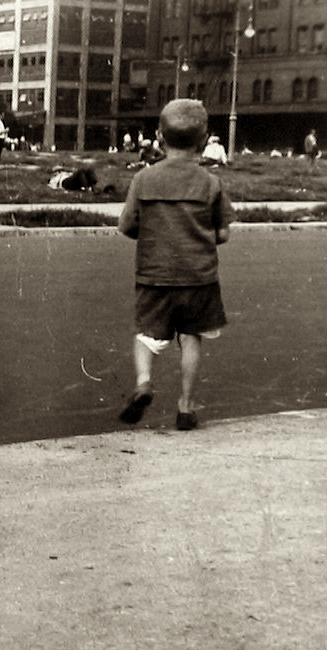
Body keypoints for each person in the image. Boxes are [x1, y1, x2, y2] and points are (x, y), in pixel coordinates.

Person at [117, 99, 235, 431]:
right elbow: (223, 233)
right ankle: (185, 406)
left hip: (154, 276)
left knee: (146, 336)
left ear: (159, 136)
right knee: (192, 338)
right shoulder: (211, 182)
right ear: (204, 140)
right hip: (199, 278)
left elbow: (127, 226)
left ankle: (143, 381)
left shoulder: (143, 179)